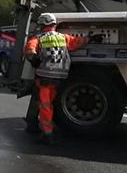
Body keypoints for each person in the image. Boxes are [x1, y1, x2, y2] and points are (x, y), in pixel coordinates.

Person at [24, 13, 87, 145]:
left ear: (42, 25)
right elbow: (78, 42)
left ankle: (47, 134)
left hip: (44, 76)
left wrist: (34, 61)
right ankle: (40, 127)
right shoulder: (63, 37)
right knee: (49, 103)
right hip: (60, 77)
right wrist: (91, 38)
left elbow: (29, 51)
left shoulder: (38, 37)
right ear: (54, 25)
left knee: (44, 105)